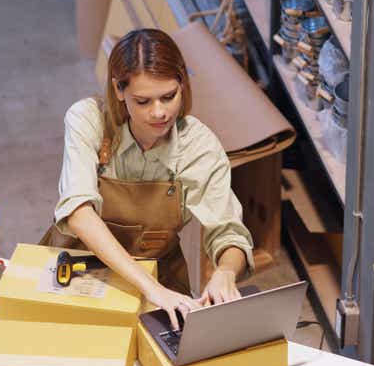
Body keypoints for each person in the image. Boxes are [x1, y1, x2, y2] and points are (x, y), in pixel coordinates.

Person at [40, 28, 254, 330]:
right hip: (78, 265)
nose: (159, 112)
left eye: (169, 96)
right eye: (142, 101)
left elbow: (229, 233)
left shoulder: (199, 146)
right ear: (118, 90)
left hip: (160, 272)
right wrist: (149, 289)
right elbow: (79, 213)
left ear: (183, 84)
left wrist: (226, 272)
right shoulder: (87, 119)